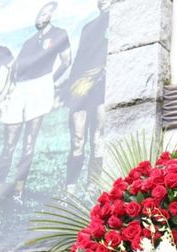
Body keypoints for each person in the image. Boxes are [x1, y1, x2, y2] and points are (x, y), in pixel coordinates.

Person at [0, 2, 71, 204]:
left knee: (29, 141)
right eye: (39, 13)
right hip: (20, 88)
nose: (41, 16)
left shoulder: (59, 34)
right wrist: (7, 91)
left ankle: (18, 190)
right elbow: (14, 68)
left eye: (46, 12)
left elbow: (66, 61)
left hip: (41, 85)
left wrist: (49, 82)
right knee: (9, 142)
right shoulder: (28, 41)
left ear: (52, 14)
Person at [64, 0, 111, 193]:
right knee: (77, 139)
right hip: (82, 86)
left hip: (103, 84)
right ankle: (70, 186)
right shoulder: (88, 27)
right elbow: (79, 58)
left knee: (97, 138)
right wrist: (71, 88)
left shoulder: (118, 20)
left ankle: (93, 184)